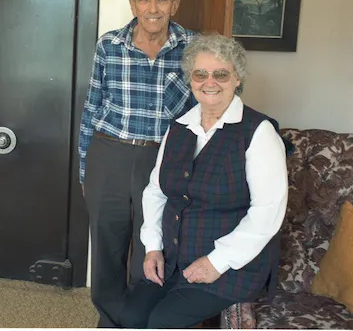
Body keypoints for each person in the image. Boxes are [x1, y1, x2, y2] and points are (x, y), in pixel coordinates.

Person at [118, 34, 288, 329]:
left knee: (163, 320)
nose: (210, 82)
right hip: (172, 259)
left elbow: (268, 211)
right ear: (191, 79)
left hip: (230, 266)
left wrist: (217, 261)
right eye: (200, 74)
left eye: (221, 73)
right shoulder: (179, 127)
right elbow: (156, 191)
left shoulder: (259, 133)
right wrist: (153, 247)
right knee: (129, 316)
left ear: (237, 78)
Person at [78, 0, 198, 327]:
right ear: (133, 4)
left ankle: (137, 317)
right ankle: (110, 318)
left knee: (153, 244)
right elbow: (92, 107)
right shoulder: (109, 44)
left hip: (162, 157)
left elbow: (209, 105)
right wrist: (85, 170)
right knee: (107, 241)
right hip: (109, 152)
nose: (153, 7)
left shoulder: (195, 47)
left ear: (174, 5)